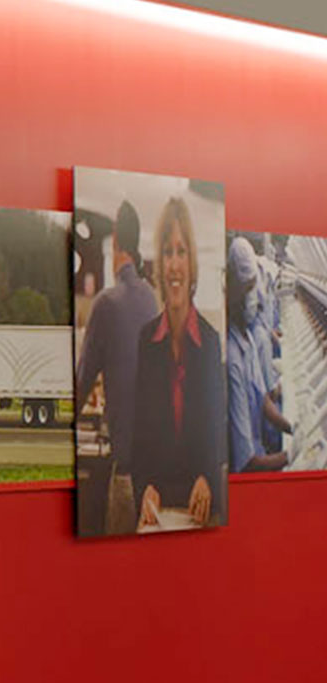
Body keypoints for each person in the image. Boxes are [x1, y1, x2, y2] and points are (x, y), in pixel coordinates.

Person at [128, 197, 228, 530]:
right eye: (167, 253)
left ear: (192, 262)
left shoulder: (211, 344)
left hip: (199, 509)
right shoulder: (146, 341)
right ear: (159, 264)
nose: (174, 265)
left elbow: (217, 434)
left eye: (181, 252)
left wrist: (209, 478)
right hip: (157, 512)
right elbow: (139, 435)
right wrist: (145, 488)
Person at [76, 200, 158, 535]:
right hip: (154, 467)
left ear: (115, 242)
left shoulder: (106, 304)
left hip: (124, 468)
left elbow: (82, 383)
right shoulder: (151, 297)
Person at [228, 234, 291, 473]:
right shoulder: (234, 359)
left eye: (255, 287)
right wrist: (291, 455)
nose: (254, 298)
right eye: (248, 289)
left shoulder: (249, 339)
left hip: (263, 450)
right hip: (253, 466)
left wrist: (292, 428)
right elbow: (249, 462)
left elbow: (263, 399)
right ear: (234, 292)